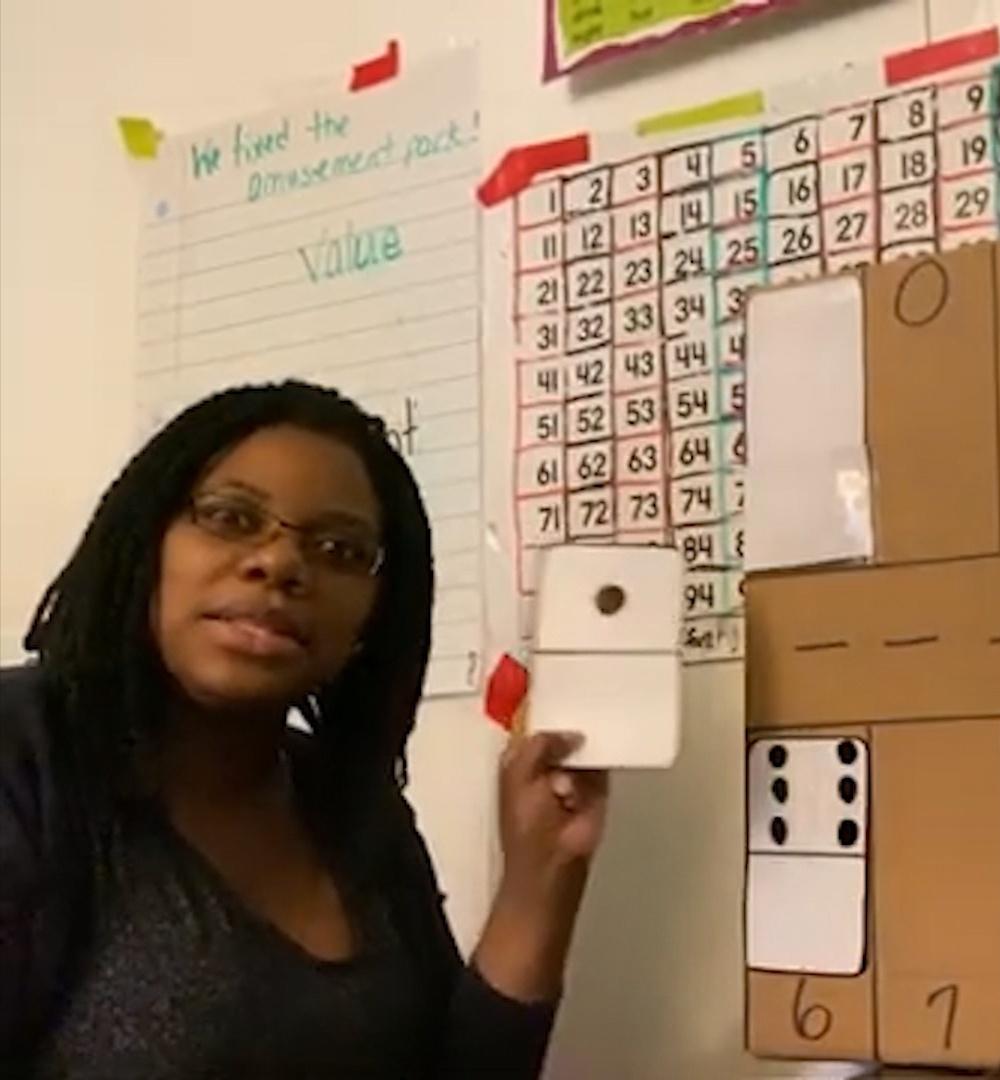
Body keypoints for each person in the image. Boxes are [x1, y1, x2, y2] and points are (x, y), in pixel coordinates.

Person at [0, 381, 608, 1076]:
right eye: (230, 517)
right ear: (146, 546)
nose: (282, 563)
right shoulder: (28, 757)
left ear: (369, 621)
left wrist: (538, 889)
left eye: (341, 550)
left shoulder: (354, 809)